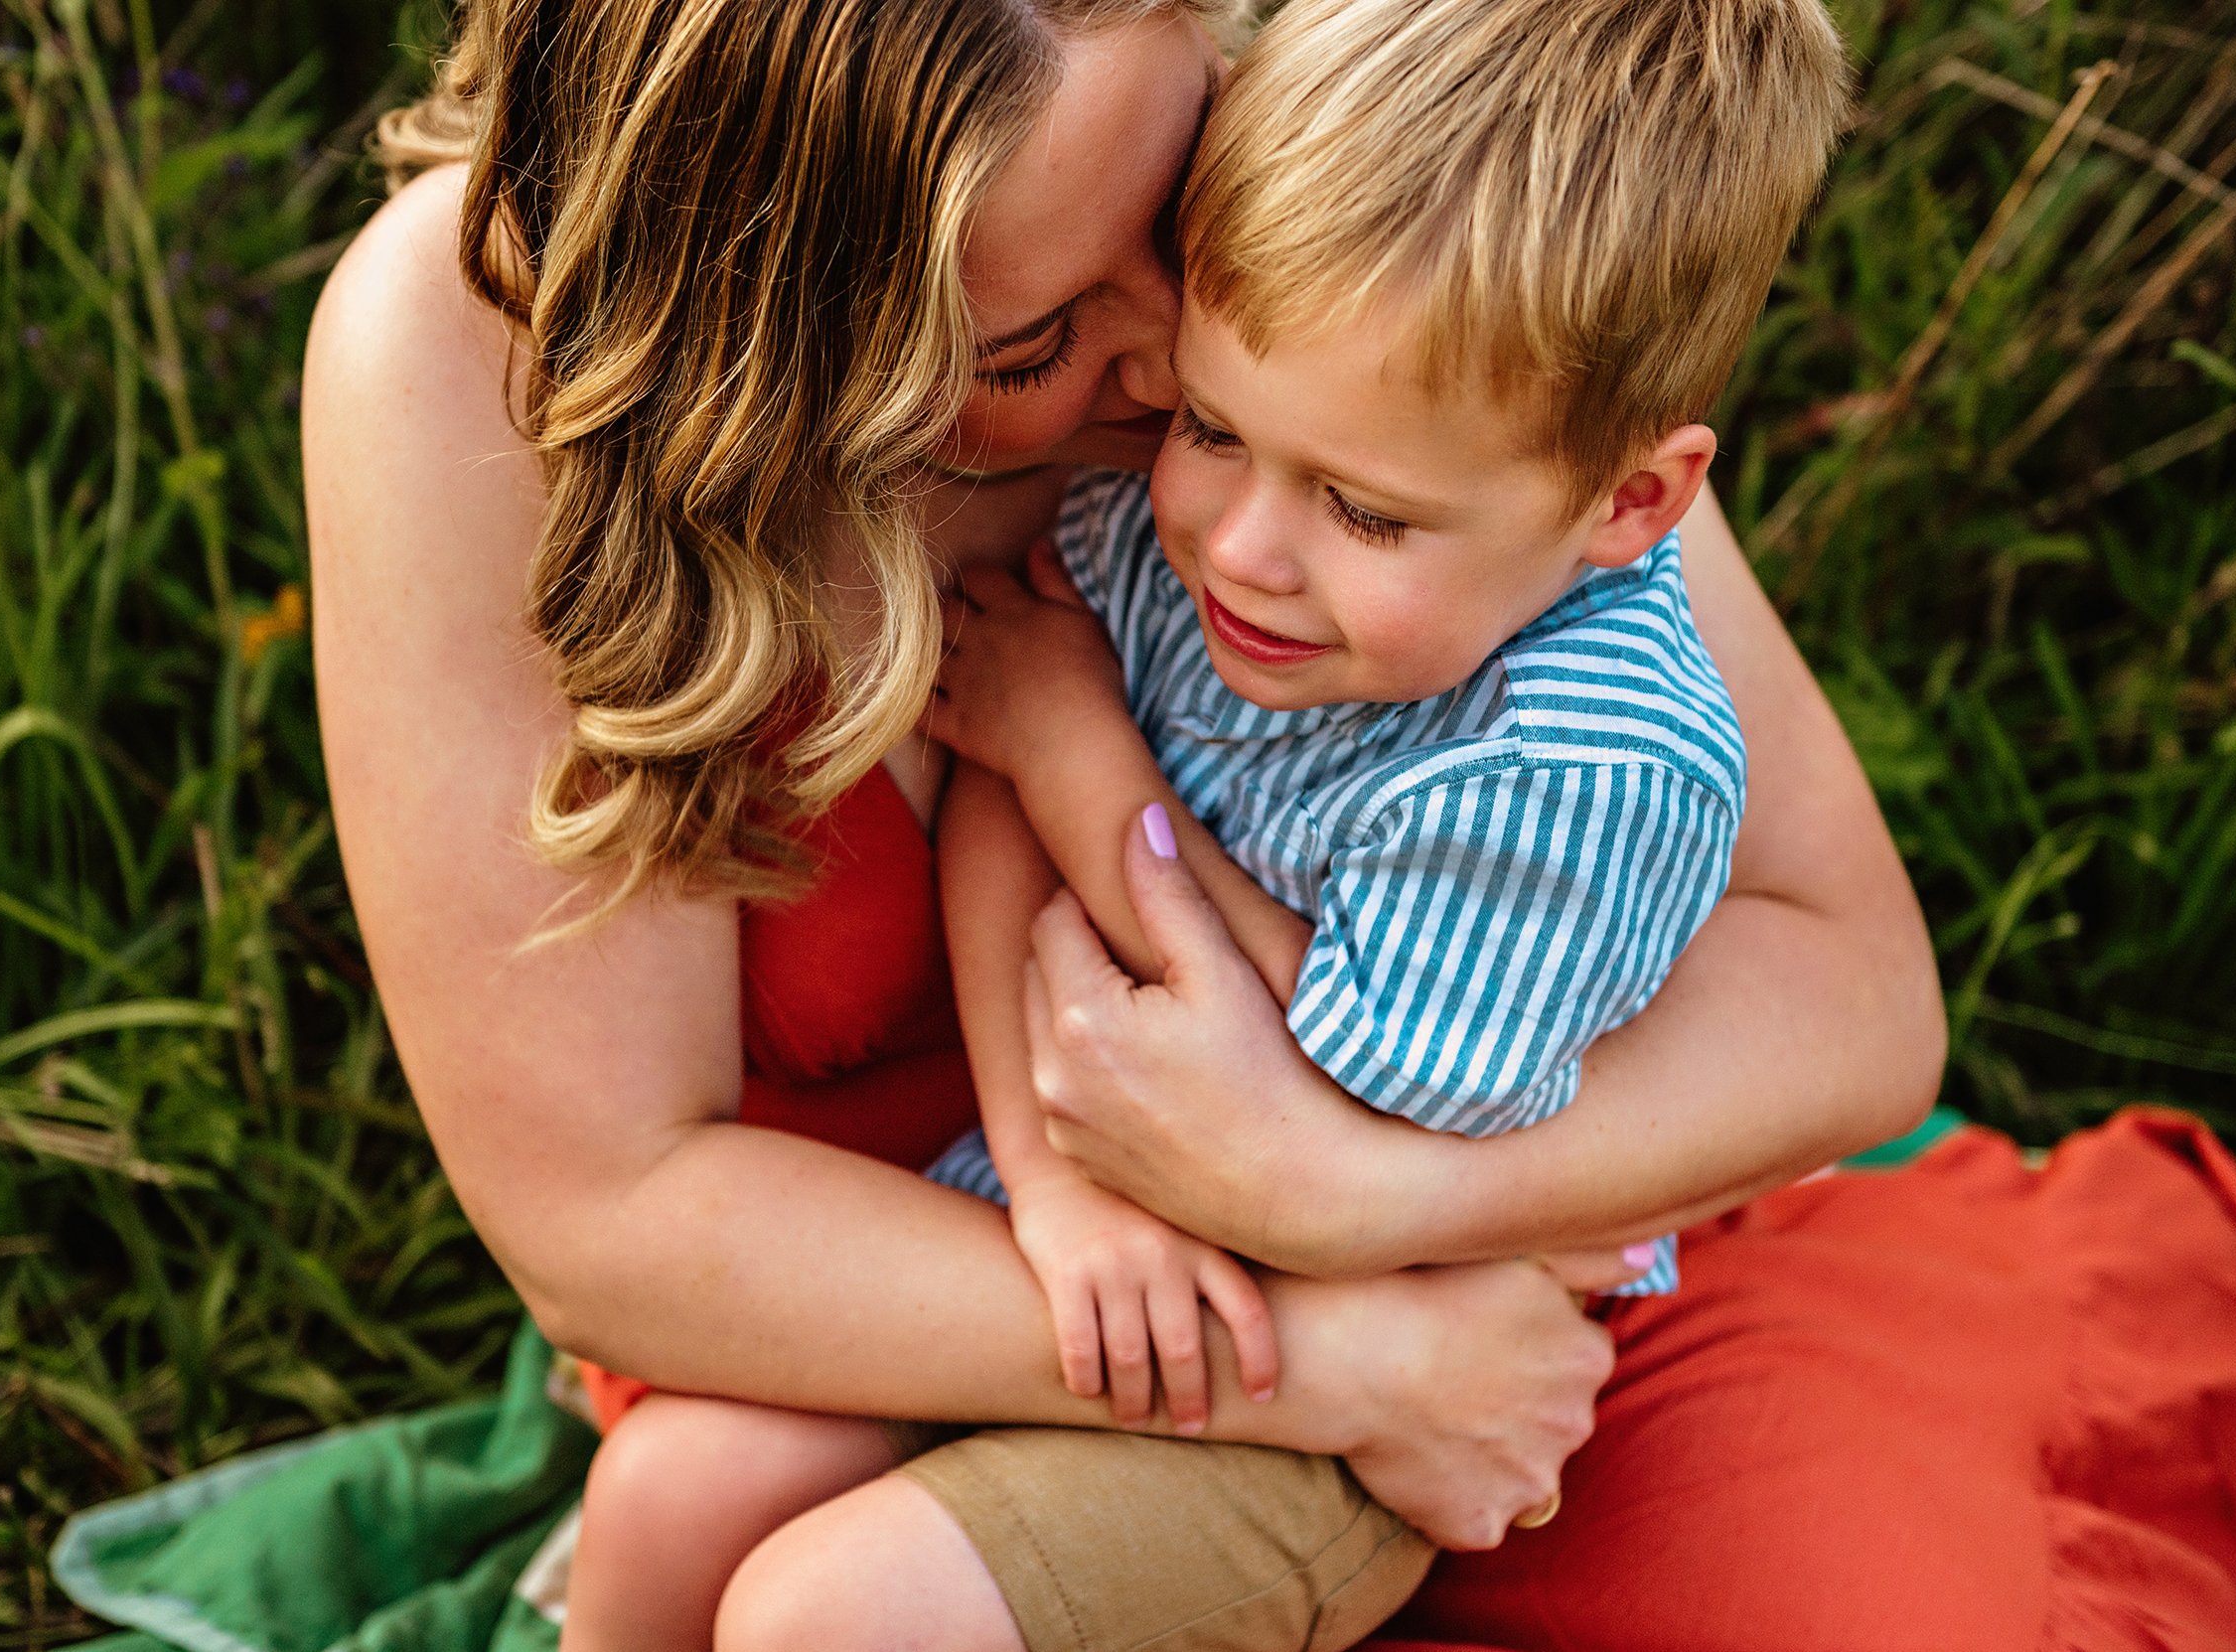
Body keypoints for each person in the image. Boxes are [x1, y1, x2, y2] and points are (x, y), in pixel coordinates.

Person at [296, 0, 2064, 1645]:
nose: (1180, 351)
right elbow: (614, 1222)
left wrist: (1352, 1194)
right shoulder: (464, 377)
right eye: (1046, 338)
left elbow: (1851, 996)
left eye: (1184, 190)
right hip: (872, 1310)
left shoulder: (1376, 240)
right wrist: (1325, 1356)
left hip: (1477, 1292)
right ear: (791, 341)